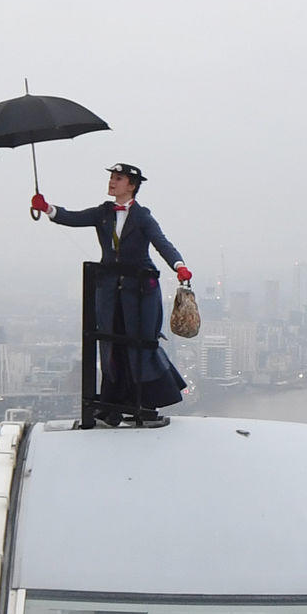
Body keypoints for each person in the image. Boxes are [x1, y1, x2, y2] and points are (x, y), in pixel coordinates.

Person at [32, 163, 193, 426]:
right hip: (109, 289)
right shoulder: (103, 213)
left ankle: (145, 404)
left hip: (139, 291)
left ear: (132, 185)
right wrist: (47, 208)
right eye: (111, 177)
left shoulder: (142, 217)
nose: (112, 182)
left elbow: (161, 242)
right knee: (110, 343)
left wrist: (179, 265)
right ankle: (112, 405)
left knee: (140, 344)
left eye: (118, 178)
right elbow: (73, 218)